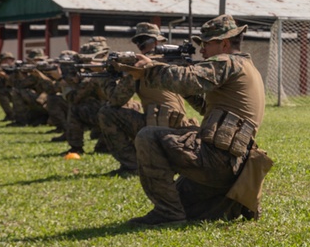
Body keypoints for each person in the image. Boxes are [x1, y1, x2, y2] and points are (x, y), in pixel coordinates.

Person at [117, 14, 268, 226]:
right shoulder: (246, 67)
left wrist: (149, 69)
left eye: (206, 44)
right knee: (185, 205)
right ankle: (225, 204)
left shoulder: (227, 62)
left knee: (148, 136)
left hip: (216, 160)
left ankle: (167, 214)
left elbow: (188, 79)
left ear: (224, 43)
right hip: (234, 167)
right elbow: (210, 108)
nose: (202, 50)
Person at [97, 22, 195, 177]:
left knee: (107, 113)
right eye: (139, 41)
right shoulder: (171, 63)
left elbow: (116, 100)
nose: (141, 45)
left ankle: (132, 166)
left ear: (157, 42)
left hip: (160, 127)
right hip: (181, 128)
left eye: (144, 40)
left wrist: (106, 78)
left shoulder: (141, 66)